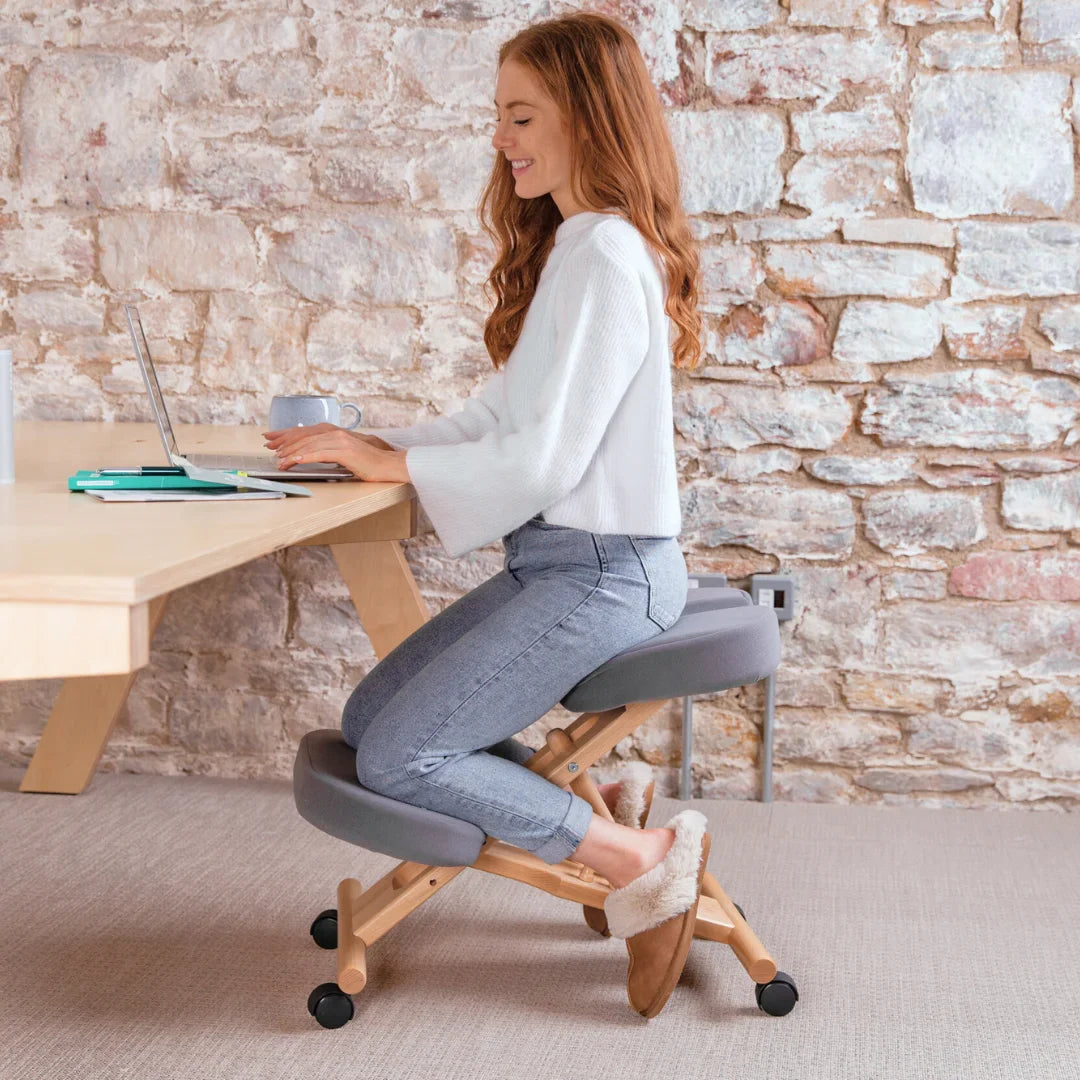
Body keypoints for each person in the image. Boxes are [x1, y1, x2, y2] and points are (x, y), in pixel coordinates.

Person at [263, 12, 707, 1018]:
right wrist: (380, 448)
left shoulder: (600, 256)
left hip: (603, 571)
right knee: (372, 721)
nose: (500, 139)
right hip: (569, 565)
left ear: (587, 120)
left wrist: (401, 464)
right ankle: (601, 801)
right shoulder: (579, 248)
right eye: (499, 118)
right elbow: (506, 416)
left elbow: (543, 457)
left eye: (521, 116)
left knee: (401, 753)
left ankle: (635, 856)